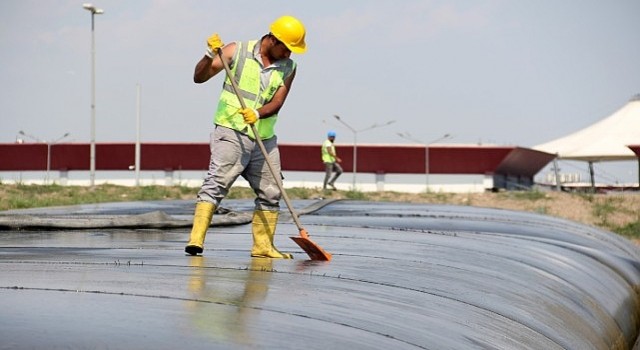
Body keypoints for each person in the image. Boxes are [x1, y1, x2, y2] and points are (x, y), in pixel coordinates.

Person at [185, 15, 307, 259]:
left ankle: (263, 247)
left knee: (272, 192)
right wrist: (210, 55)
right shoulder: (235, 51)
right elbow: (199, 77)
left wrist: (257, 113)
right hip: (231, 131)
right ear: (273, 40)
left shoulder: (289, 67)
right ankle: (196, 240)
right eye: (286, 48)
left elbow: (278, 102)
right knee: (217, 184)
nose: (289, 54)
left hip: (264, 137)